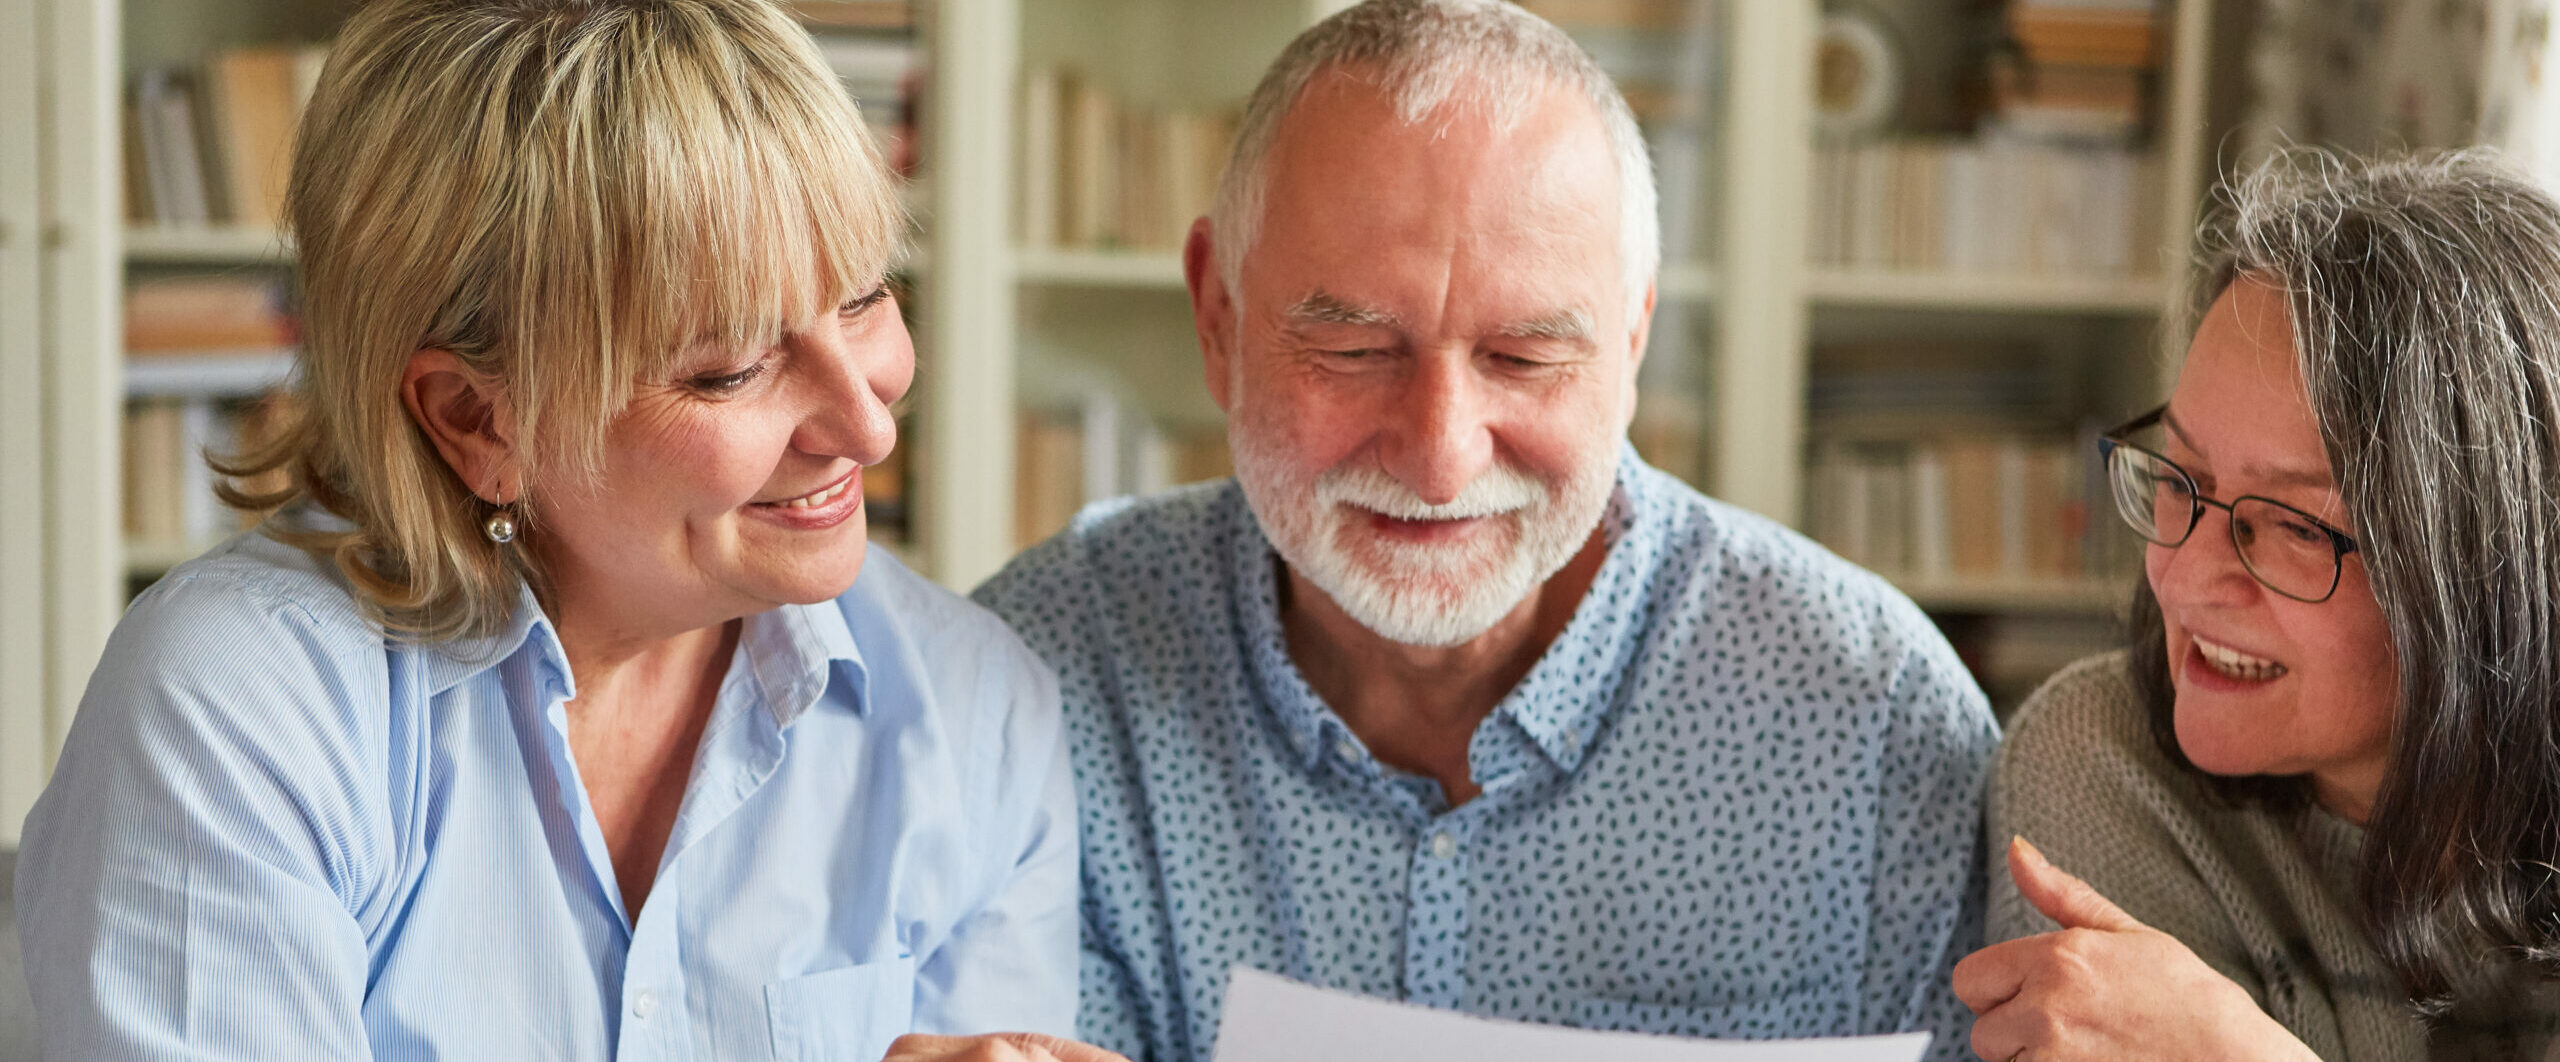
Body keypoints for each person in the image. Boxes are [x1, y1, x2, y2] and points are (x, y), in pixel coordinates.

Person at [14, 2, 1107, 1059]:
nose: (868, 424)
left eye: (864, 298)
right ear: (476, 418)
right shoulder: (240, 704)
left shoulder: (974, 712)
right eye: (729, 368)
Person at [971, 2, 2000, 1059]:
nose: (1440, 457)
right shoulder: (1031, 679)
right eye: (1355, 349)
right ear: (1218, 320)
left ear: (1631, 341)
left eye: (1522, 359)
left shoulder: (1874, 723)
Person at [1954, 150, 2560, 1060]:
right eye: (2182, 478)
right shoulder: (2104, 762)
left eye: (2294, 527)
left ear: (2483, 572)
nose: (2186, 576)